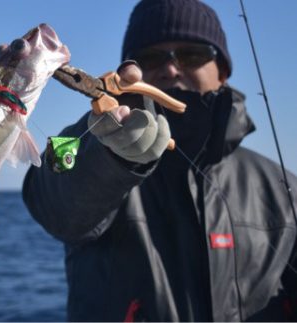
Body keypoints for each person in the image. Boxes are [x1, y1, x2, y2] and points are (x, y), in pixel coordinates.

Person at [23, 0, 297, 321]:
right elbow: (51, 202)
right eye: (151, 58)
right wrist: (110, 152)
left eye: (192, 55)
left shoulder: (284, 187)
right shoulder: (91, 140)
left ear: (222, 72)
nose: (170, 68)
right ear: (128, 73)